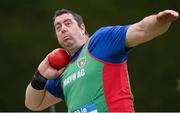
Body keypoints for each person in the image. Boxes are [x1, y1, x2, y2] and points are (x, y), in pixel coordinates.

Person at [25, 9, 179, 112]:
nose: (63, 29)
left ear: (82, 28)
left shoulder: (101, 41)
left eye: (67, 23)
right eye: (58, 27)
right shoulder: (62, 71)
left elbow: (141, 29)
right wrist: (41, 75)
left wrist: (159, 21)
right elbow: (33, 104)